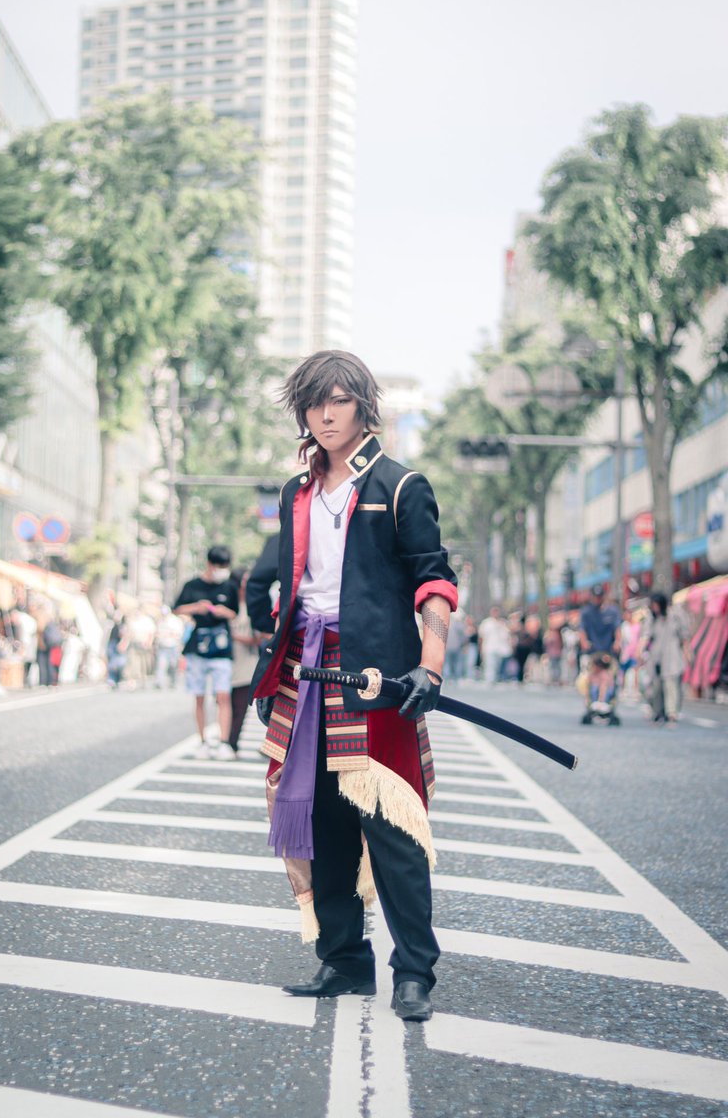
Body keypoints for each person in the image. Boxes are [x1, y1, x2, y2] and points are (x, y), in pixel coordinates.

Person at [250, 349, 458, 1024]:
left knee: (392, 829)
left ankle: (415, 972)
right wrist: (272, 660)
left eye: (338, 400)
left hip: (375, 676)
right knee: (320, 821)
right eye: (314, 403)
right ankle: (343, 961)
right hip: (303, 670)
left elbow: (434, 579)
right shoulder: (298, 490)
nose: (325, 414)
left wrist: (430, 665)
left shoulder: (400, 486)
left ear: (364, 406)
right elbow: (290, 584)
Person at [174, 546, 239, 760]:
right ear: (209, 564)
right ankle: (202, 741)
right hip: (198, 646)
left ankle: (223, 742)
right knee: (199, 696)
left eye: (225, 566)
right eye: (219, 566)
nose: (222, 570)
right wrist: (196, 607)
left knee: (223, 695)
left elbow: (235, 612)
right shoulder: (192, 585)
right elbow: (177, 608)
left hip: (221, 646)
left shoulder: (229, 586)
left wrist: (223, 612)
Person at [640, 592, 690, 725]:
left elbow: (684, 636)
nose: (655, 608)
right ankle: (657, 712)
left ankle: (671, 713)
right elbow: (646, 636)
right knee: (655, 687)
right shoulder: (652, 618)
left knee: (671, 685)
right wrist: (639, 652)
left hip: (672, 656)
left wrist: (687, 654)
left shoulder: (675, 615)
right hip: (656, 657)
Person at [228, 567, 261, 753]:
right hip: (226, 661)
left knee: (240, 706)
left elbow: (258, 637)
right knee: (225, 704)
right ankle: (225, 739)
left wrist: (233, 636)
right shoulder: (227, 602)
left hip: (247, 662)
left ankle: (232, 742)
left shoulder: (253, 604)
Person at [478, 606, 512, 685]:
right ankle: (489, 680)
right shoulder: (486, 623)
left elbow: (507, 635)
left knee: (497, 665)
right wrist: (481, 648)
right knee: (490, 664)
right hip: (489, 647)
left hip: (500, 648)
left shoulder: (502, 623)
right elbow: (481, 636)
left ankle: (496, 679)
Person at [154, 605, 184, 689]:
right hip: (162, 646)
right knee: (161, 664)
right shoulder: (160, 621)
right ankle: (159, 682)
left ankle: (173, 681)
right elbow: (157, 633)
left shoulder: (175, 621)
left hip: (172, 645)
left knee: (173, 665)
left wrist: (167, 635)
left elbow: (178, 634)